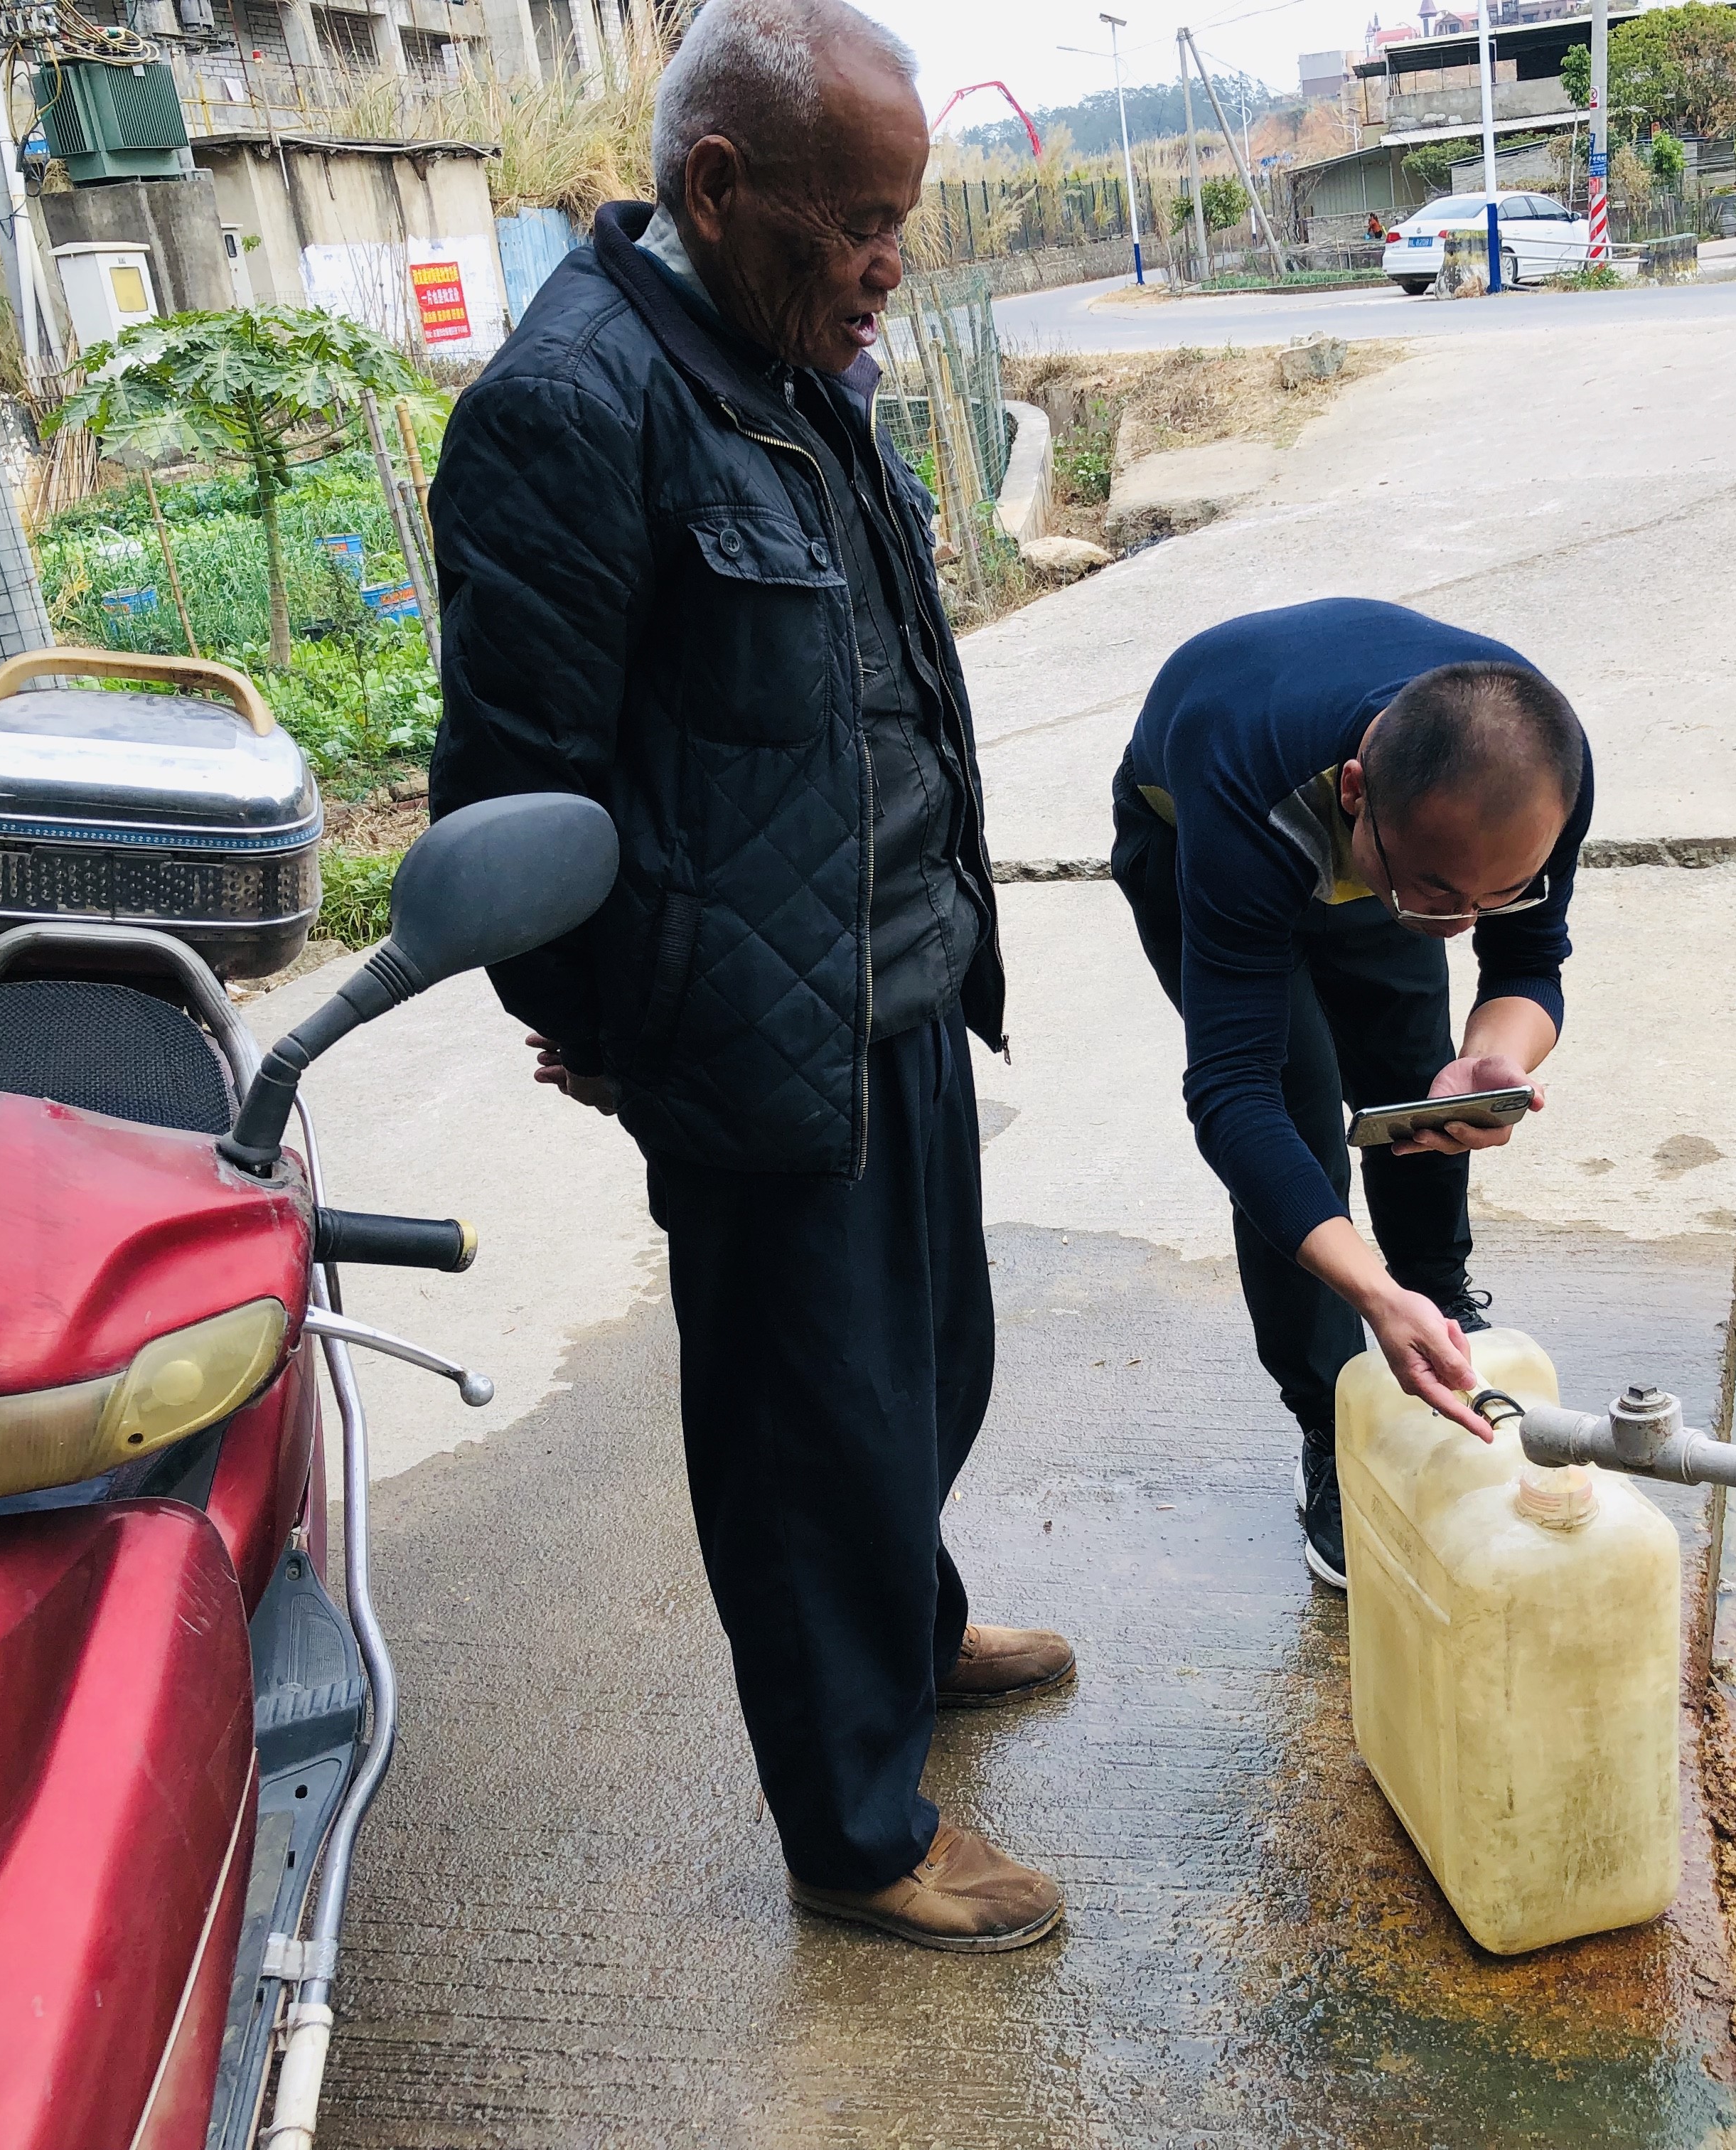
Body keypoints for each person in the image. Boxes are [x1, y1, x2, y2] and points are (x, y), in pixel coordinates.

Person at [426, 0, 1069, 1954]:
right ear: (720, 189)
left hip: (896, 984)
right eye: (860, 221)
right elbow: (517, 784)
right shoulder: (573, 406)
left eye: (904, 220)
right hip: (751, 1042)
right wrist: (616, 1033)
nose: (890, 263)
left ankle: (919, 1626)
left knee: (928, 1371)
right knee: (809, 1444)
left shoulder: (799, 365)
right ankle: (857, 1830)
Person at [1110, 599, 1595, 1589]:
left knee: (1418, 1081)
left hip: (1375, 836)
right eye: (1440, 894)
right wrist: (1369, 1290)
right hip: (1211, 835)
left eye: (1488, 896)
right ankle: (1333, 1413)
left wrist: (1495, 1059)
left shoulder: (1536, 772)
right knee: (1291, 1117)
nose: (1460, 927)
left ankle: (1440, 1313)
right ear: (1361, 792)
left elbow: (1529, 963)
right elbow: (1230, 1095)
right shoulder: (1252, 776)